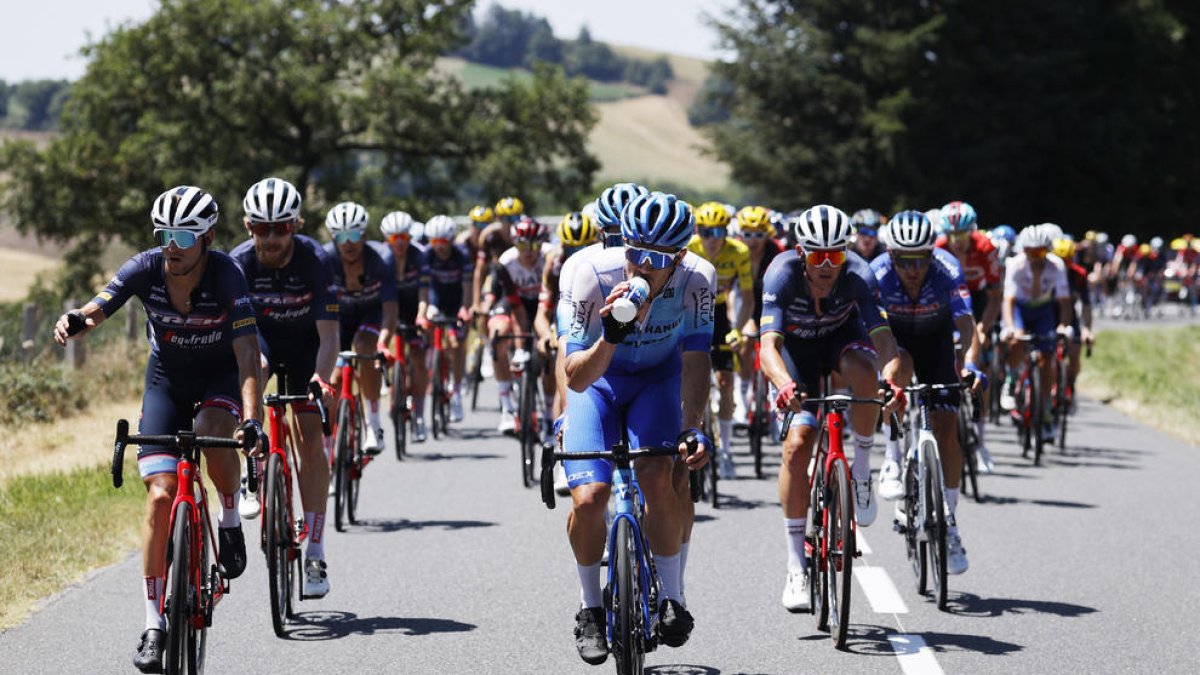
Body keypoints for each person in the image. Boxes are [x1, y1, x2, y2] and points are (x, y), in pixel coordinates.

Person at [54, 186, 263, 673]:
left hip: (220, 375)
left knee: (215, 431)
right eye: (165, 234)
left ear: (207, 237)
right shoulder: (146, 266)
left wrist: (251, 421)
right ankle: (153, 624)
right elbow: (99, 305)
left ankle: (229, 517)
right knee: (160, 496)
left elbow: (248, 353)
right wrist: (73, 321)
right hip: (166, 379)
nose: (172, 245)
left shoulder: (227, 275)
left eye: (184, 236)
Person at [558, 191, 714, 664]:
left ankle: (671, 596)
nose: (642, 267)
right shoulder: (590, 273)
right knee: (588, 498)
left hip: (657, 383)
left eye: (657, 259)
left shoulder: (698, 279)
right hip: (599, 387)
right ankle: (590, 607)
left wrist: (694, 426)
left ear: (680, 256)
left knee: (658, 481)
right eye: (635, 253)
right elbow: (576, 377)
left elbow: (696, 360)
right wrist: (612, 336)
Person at [758, 204, 903, 612]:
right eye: (817, 255)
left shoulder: (859, 274)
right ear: (801, 252)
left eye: (835, 255)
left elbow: (885, 341)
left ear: (846, 253)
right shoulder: (780, 274)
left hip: (842, 340)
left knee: (864, 371)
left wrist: (890, 379)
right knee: (798, 443)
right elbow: (768, 345)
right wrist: (784, 385)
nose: (826, 265)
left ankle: (860, 471)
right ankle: (795, 566)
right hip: (797, 354)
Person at [230, 177, 339, 596]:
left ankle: (315, 551)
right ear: (247, 225)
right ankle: (248, 470)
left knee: (310, 439)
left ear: (296, 225)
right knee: (249, 370)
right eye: (261, 227)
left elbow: (330, 334)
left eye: (281, 228)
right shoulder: (237, 263)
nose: (271, 237)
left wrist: (321, 377)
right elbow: (232, 337)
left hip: (306, 346)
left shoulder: (316, 259)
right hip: (258, 341)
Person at [872, 210, 984, 575]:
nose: (913, 268)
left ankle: (949, 522)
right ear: (891, 255)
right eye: (904, 260)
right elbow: (874, 334)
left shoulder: (947, 268)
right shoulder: (878, 274)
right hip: (897, 341)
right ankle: (891, 456)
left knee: (947, 428)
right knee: (898, 371)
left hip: (936, 342)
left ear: (931, 255)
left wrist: (969, 365)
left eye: (921, 258)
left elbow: (968, 325)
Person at [323, 201, 398, 454]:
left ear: (364, 234)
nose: (348, 242)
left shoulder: (383, 259)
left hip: (371, 313)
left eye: (354, 235)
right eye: (341, 236)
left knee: (367, 349)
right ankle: (328, 447)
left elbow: (390, 311)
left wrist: (382, 344)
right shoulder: (324, 260)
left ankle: (373, 424)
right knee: (331, 380)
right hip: (339, 317)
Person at [686, 201, 753, 478]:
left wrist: (737, 329)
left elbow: (748, 298)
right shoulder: (689, 247)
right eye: (706, 231)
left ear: (726, 232)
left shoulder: (739, 251)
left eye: (718, 232)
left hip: (720, 313)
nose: (712, 239)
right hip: (691, 311)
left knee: (726, 382)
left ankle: (725, 450)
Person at [935, 200, 1001, 473]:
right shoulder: (938, 249)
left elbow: (996, 297)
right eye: (953, 236)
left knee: (981, 369)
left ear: (971, 231)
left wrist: (983, 329)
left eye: (963, 235)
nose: (958, 242)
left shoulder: (986, 248)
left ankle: (981, 440)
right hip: (948, 301)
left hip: (978, 299)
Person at [1000, 224, 1074, 441]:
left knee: (1047, 357)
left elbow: (1064, 302)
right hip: (1021, 308)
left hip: (1043, 310)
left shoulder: (1056, 265)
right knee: (1016, 341)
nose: (1034, 257)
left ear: (1047, 251)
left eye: (1039, 252)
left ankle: (1045, 407)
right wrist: (1010, 327)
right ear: (1023, 251)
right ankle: (1011, 381)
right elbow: (1008, 301)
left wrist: (1063, 325)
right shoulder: (1015, 264)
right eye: (1030, 251)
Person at [480, 216, 553, 434]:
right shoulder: (507, 262)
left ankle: (549, 414)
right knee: (499, 335)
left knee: (550, 352)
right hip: (513, 302)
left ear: (541, 244)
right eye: (522, 245)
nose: (528, 251)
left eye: (533, 245)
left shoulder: (550, 257)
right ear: (514, 243)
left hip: (542, 302)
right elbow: (515, 307)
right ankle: (507, 409)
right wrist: (520, 347)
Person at [536, 211, 600, 427]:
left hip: (593, 320)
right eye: (572, 248)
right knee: (560, 358)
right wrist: (547, 335)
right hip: (564, 314)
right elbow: (542, 312)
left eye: (583, 247)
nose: (578, 254)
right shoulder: (554, 265)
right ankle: (564, 426)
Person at [380, 210, 432, 441]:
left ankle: (419, 414)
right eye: (394, 238)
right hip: (388, 309)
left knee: (419, 359)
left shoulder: (419, 257)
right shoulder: (381, 258)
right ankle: (391, 386)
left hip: (413, 309)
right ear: (386, 238)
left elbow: (423, 293)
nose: (399, 242)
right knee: (384, 352)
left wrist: (422, 316)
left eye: (403, 237)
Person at [733, 205, 786, 426]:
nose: (753, 240)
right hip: (747, 302)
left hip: (774, 303)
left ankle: (776, 399)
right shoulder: (735, 251)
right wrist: (735, 324)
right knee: (745, 340)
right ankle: (742, 396)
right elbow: (730, 291)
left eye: (759, 235)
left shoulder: (777, 252)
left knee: (778, 345)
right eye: (747, 234)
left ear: (768, 234)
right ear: (739, 234)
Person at [422, 215, 475, 422]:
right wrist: (426, 309)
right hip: (436, 299)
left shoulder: (461, 255)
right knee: (427, 325)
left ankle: (457, 390)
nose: (440, 247)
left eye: (444, 242)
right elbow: (424, 288)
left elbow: (467, 287)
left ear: (451, 240)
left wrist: (465, 308)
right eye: (435, 242)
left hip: (456, 301)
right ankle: (431, 361)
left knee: (456, 342)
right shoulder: (426, 255)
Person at [1051, 237, 1095, 412]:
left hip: (1071, 317)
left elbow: (1086, 304)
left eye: (1067, 260)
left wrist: (1087, 329)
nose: (1063, 264)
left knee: (1075, 354)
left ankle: (1070, 382)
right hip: (1050, 314)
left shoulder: (1079, 274)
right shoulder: (1049, 272)